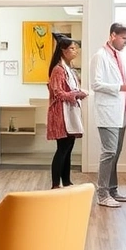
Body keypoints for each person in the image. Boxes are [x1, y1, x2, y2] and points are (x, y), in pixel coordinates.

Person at [91, 23, 126, 208]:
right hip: (107, 112)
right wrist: (121, 87)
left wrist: (124, 88)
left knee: (116, 153)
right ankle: (102, 194)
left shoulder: (117, 57)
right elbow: (95, 84)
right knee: (109, 152)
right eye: (124, 38)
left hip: (120, 111)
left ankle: (113, 190)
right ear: (113, 35)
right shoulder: (100, 56)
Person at [46, 35, 87, 189]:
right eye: (71, 48)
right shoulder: (58, 69)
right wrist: (75, 94)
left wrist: (78, 93)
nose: (75, 51)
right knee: (62, 148)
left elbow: (70, 90)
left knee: (68, 148)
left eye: (75, 48)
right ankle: (56, 184)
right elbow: (57, 92)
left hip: (70, 111)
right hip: (61, 114)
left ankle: (67, 181)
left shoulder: (70, 69)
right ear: (63, 51)